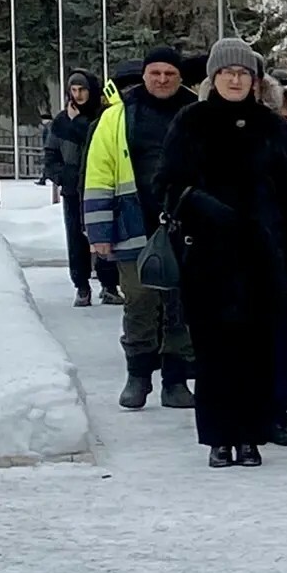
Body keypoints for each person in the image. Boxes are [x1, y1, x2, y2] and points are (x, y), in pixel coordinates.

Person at [158, 39, 287, 468]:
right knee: (214, 351)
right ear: (213, 78)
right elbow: (168, 183)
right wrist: (203, 207)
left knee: (257, 350)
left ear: (255, 80)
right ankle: (219, 438)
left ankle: (251, 437)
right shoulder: (191, 121)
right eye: (227, 72)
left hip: (264, 255)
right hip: (208, 255)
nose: (235, 80)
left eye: (243, 73)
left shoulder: (270, 125)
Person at [84, 45, 201, 411]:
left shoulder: (197, 113)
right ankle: (138, 376)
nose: (162, 80)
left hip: (188, 225)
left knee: (181, 304)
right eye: (156, 73)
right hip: (133, 223)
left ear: (180, 77)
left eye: (170, 73)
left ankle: (176, 381)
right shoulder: (118, 116)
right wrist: (99, 232)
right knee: (139, 301)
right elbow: (99, 174)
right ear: (145, 75)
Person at [44, 69, 122, 307]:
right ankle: (82, 286)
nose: (77, 95)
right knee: (76, 238)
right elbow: (50, 156)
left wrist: (77, 122)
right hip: (73, 190)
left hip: (100, 186)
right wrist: (63, 177)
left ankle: (109, 285)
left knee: (105, 234)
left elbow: (100, 142)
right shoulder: (61, 121)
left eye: (82, 90)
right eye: (74, 90)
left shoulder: (103, 116)